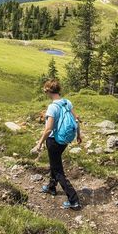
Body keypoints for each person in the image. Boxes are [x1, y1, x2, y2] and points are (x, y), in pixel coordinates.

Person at [31, 79, 81, 210]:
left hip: (54, 141)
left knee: (58, 170)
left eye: (45, 91)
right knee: (55, 163)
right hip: (64, 140)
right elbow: (76, 119)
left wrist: (39, 143)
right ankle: (51, 187)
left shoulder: (52, 107)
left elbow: (48, 129)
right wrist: (79, 135)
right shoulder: (67, 102)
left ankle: (74, 200)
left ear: (48, 91)